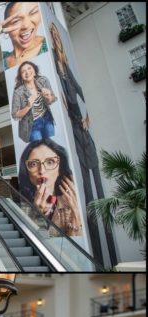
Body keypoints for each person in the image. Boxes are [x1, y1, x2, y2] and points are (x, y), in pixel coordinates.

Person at [49, 22, 118, 265]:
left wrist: (87, 115)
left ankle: (111, 252)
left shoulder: (65, 68)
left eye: (57, 36)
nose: (56, 40)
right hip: (74, 130)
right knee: (86, 190)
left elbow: (79, 92)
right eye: (53, 36)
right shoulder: (56, 72)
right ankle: (97, 256)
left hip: (82, 128)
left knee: (96, 182)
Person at [18, 138, 84, 237]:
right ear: (26, 170)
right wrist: (35, 213)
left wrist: (76, 214)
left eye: (50, 162)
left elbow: (77, 240)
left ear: (59, 168)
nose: (42, 171)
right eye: (34, 164)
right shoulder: (20, 205)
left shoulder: (70, 201)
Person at [11, 61, 57, 143]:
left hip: (47, 119)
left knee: (51, 146)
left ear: (34, 71)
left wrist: (49, 97)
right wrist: (28, 106)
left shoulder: (43, 81)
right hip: (32, 125)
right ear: (21, 77)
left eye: (29, 68)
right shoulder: (18, 92)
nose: (27, 72)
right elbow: (15, 115)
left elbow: (53, 98)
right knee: (40, 150)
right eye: (23, 71)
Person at [0, 2, 48, 70]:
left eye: (33, 13)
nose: (26, 25)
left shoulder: (49, 44)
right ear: (5, 29)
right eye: (16, 21)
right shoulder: (3, 57)